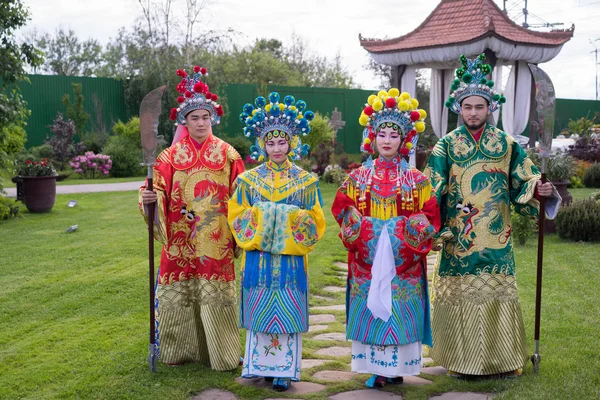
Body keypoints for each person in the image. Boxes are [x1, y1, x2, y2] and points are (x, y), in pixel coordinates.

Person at [425, 54, 561, 378]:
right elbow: (430, 191)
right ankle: (461, 362)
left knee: (497, 295)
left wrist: (538, 190)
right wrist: (430, 227)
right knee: (462, 298)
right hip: (459, 241)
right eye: (468, 107)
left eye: (480, 107)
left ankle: (500, 362)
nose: (474, 113)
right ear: (459, 108)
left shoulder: (507, 145)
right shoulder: (445, 147)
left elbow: (525, 180)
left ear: (490, 108)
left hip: (497, 242)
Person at [331, 88, 440, 388]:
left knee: (401, 307)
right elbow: (342, 209)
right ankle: (378, 368)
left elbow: (430, 216)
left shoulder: (417, 180)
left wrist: (395, 235)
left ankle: (399, 366)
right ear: (373, 137)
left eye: (394, 135)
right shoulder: (357, 178)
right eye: (382, 134)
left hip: (404, 260)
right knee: (373, 305)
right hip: (366, 260)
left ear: (404, 140)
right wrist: (367, 233)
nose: (387, 140)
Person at [139, 66, 244, 370]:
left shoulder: (229, 155)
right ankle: (177, 351)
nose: (200, 123)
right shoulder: (169, 157)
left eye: (205, 117)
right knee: (178, 291)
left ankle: (222, 354)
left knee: (216, 293)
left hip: (216, 238)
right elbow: (155, 188)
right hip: (179, 239)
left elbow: (242, 195)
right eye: (194, 118)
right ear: (184, 121)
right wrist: (149, 198)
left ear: (214, 119)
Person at [227, 92, 326, 392]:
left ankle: (284, 370)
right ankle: (256, 364)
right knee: (259, 306)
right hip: (257, 261)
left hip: (290, 263)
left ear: (292, 142)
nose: (277, 148)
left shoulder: (306, 181)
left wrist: (281, 217)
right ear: (262, 144)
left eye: (282, 142)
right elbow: (237, 217)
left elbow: (315, 222)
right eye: (270, 142)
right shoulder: (248, 180)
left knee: (286, 307)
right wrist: (265, 215)